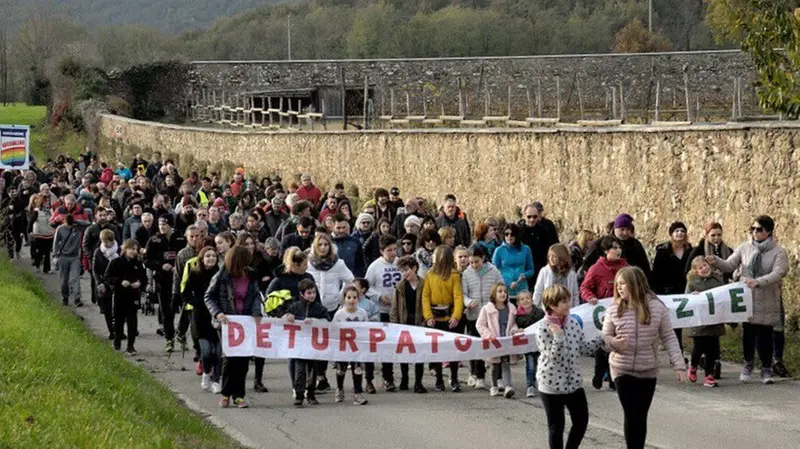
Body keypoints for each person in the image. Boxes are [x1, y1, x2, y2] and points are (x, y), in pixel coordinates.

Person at [602, 267, 686, 449]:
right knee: (631, 413)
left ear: (635, 284)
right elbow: (605, 337)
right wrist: (614, 342)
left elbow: (669, 337)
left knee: (641, 415)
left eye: (623, 283)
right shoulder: (614, 309)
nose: (619, 287)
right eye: (617, 284)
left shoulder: (657, 307)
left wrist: (679, 366)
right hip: (621, 368)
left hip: (647, 369)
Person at [706, 215, 789, 384]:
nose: (755, 232)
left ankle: (766, 369)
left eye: (759, 229)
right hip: (747, 298)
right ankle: (748, 364)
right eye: (752, 229)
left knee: (765, 334)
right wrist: (715, 261)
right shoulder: (745, 247)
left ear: (768, 231)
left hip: (766, 298)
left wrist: (758, 282)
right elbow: (730, 265)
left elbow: (779, 272)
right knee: (748, 333)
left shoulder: (778, 251)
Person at [534, 285, 603, 449]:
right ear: (552, 305)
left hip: (573, 383)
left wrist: (602, 338)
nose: (568, 304)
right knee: (557, 427)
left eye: (568, 300)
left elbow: (584, 348)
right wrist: (558, 336)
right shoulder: (543, 328)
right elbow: (554, 358)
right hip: (551, 385)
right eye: (563, 301)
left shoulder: (572, 322)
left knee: (581, 420)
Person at [204, 246, 263, 409]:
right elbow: (208, 296)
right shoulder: (222, 275)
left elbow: (256, 295)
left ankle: (239, 395)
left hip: (245, 322)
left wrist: (257, 312)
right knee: (230, 359)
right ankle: (225, 393)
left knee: (243, 360)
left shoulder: (250, 275)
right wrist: (217, 313)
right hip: (228, 323)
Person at [307, 232, 354, 391]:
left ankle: (321, 375)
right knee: (312, 342)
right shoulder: (308, 261)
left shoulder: (338, 263)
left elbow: (350, 280)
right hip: (311, 308)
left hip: (330, 307)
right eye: (319, 244)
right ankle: (311, 377)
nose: (323, 247)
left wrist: (340, 297)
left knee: (324, 343)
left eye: (326, 244)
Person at [580, 235, 627, 391]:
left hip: (621, 312)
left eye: (619, 247)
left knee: (617, 345)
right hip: (603, 314)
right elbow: (585, 287)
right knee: (603, 345)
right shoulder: (596, 268)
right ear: (606, 250)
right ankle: (599, 373)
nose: (618, 250)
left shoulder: (625, 267)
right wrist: (590, 297)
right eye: (614, 247)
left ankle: (615, 377)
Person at [422, 245, 464, 392]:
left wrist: (456, 316)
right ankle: (439, 377)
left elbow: (458, 297)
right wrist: (428, 316)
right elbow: (425, 296)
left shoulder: (454, 275)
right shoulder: (430, 275)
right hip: (434, 317)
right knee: (437, 351)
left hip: (449, 316)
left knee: (452, 350)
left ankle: (454, 378)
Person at [461, 245, 503, 390]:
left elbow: (501, 286)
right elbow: (463, 294)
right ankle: (479, 375)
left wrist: (497, 303)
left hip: (490, 315)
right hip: (474, 315)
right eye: (471, 262)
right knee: (477, 344)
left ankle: (498, 377)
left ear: (483, 259)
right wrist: (468, 302)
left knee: (492, 344)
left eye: (476, 262)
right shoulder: (467, 274)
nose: (473, 265)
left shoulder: (493, 271)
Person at [182, 246, 223, 394]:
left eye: (213, 256)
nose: (211, 258)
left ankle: (217, 380)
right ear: (202, 258)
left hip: (217, 315)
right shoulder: (195, 274)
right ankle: (206, 372)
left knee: (218, 353)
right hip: (200, 317)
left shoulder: (220, 274)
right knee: (206, 351)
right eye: (208, 256)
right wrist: (197, 303)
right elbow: (185, 294)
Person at [283, 279, 328, 407]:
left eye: (313, 292)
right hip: (299, 345)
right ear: (302, 294)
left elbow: (327, 321)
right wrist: (289, 317)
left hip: (314, 345)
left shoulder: (320, 308)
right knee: (300, 370)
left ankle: (311, 394)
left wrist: (314, 320)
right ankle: (299, 394)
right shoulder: (295, 307)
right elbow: (285, 318)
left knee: (313, 370)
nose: (312, 295)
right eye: (309, 293)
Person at [364, 234, 401, 391]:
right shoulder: (374, 267)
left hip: (395, 312)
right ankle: (369, 379)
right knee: (373, 346)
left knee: (389, 347)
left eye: (394, 249)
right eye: (389, 250)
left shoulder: (400, 263)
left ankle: (388, 377)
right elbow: (367, 286)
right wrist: (379, 296)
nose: (393, 253)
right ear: (381, 251)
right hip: (379, 311)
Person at [144, 214, 186, 353]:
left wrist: (177, 267)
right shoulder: (154, 240)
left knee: (184, 310)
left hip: (180, 280)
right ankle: (169, 338)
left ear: (171, 225)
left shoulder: (180, 238)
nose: (162, 227)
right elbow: (147, 260)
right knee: (166, 311)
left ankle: (181, 333)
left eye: (165, 224)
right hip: (162, 280)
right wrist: (161, 265)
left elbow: (185, 256)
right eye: (160, 224)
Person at [651, 221, 693, 359]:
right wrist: (658, 293)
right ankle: (677, 353)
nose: (680, 233)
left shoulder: (690, 251)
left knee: (685, 323)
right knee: (673, 325)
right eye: (676, 231)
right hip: (669, 292)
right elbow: (656, 273)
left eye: (682, 231)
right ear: (671, 234)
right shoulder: (663, 252)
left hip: (686, 290)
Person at [685, 256, 725, 387]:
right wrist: (693, 296)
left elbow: (724, 294)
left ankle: (709, 375)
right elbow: (686, 298)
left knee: (712, 349)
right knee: (699, 346)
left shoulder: (718, 280)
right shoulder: (692, 282)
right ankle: (693, 366)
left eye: (705, 265)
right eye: (700, 268)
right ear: (696, 271)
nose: (704, 268)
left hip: (714, 320)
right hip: (699, 321)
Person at [389, 256, 428, 393]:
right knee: (404, 353)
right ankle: (404, 378)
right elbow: (394, 308)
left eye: (406, 270)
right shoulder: (400, 287)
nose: (404, 273)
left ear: (415, 269)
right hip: (404, 323)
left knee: (420, 354)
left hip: (419, 321)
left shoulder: (424, 284)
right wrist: (394, 325)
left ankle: (418, 381)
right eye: (402, 271)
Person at [476, 282, 520, 398]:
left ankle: (508, 386)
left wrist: (514, 331)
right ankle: (494, 386)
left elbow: (513, 324)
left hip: (506, 341)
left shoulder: (510, 308)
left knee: (506, 364)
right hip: (493, 341)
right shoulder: (487, 309)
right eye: (500, 291)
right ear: (494, 294)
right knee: (494, 365)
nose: (503, 294)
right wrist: (489, 335)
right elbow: (480, 325)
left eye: (505, 291)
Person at [104, 239, 148, 355]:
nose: (133, 252)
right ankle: (117, 339)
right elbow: (107, 277)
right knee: (118, 320)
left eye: (135, 249)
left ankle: (130, 346)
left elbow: (144, 279)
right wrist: (119, 282)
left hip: (133, 295)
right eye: (131, 249)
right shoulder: (116, 262)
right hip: (119, 295)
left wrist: (140, 284)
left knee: (132, 322)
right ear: (125, 249)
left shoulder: (139, 264)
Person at [581, 213, 651, 280]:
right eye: (622, 229)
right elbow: (587, 264)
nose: (625, 233)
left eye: (627, 229)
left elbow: (645, 267)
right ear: (615, 229)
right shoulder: (602, 242)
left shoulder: (635, 244)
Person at [331, 286, 370, 405]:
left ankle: (357, 393)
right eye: (349, 297)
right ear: (344, 299)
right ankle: (339, 389)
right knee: (341, 369)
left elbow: (367, 328)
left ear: (358, 299)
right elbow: (333, 329)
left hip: (357, 347)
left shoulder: (362, 313)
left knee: (357, 369)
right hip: (343, 347)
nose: (351, 300)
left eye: (354, 297)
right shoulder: (339, 314)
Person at [492, 223, 534, 304]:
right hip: (504, 292)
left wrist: (525, 275)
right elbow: (494, 272)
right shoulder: (499, 250)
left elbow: (531, 270)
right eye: (506, 234)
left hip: (522, 292)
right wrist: (508, 283)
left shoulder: (526, 249)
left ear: (517, 235)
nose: (509, 236)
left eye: (512, 234)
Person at [519, 202, 560, 280]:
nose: (532, 219)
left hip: (540, 269)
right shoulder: (519, 231)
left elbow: (553, 247)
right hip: (523, 271)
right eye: (529, 217)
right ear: (524, 216)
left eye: (535, 217)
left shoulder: (544, 230)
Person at [352, 277, 380, 393]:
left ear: (363, 289)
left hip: (367, 337)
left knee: (369, 360)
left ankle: (369, 381)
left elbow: (377, 318)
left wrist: (367, 319)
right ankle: (356, 384)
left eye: (355, 287)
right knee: (355, 361)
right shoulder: (348, 302)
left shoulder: (370, 304)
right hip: (353, 338)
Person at [533, 243, 580, 309]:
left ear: (562, 257)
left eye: (554, 256)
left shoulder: (571, 274)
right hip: (549, 309)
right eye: (549, 256)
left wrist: (576, 310)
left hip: (566, 309)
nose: (551, 258)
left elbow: (575, 295)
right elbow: (538, 290)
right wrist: (534, 308)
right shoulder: (545, 271)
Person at [516, 290, 545, 397]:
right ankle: (530, 386)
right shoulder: (517, 316)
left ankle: (538, 381)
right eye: (522, 299)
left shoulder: (540, 313)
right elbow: (514, 328)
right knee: (531, 363)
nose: (525, 300)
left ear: (532, 299)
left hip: (540, 344)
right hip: (527, 346)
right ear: (518, 303)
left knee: (540, 364)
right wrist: (518, 330)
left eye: (527, 298)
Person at [52, 214, 85, 307]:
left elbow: (88, 223)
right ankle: (65, 297)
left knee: (75, 278)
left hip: (75, 257)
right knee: (64, 279)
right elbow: (55, 243)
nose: (70, 226)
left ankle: (77, 298)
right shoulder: (60, 229)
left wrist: (76, 222)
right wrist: (55, 256)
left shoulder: (78, 227)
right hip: (63, 257)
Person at [92, 229, 119, 340]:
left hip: (116, 283)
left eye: (109, 241)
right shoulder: (98, 252)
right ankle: (111, 331)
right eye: (105, 241)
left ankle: (118, 329)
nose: (107, 244)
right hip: (104, 283)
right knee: (107, 309)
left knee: (118, 309)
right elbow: (95, 270)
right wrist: (99, 283)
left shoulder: (119, 250)